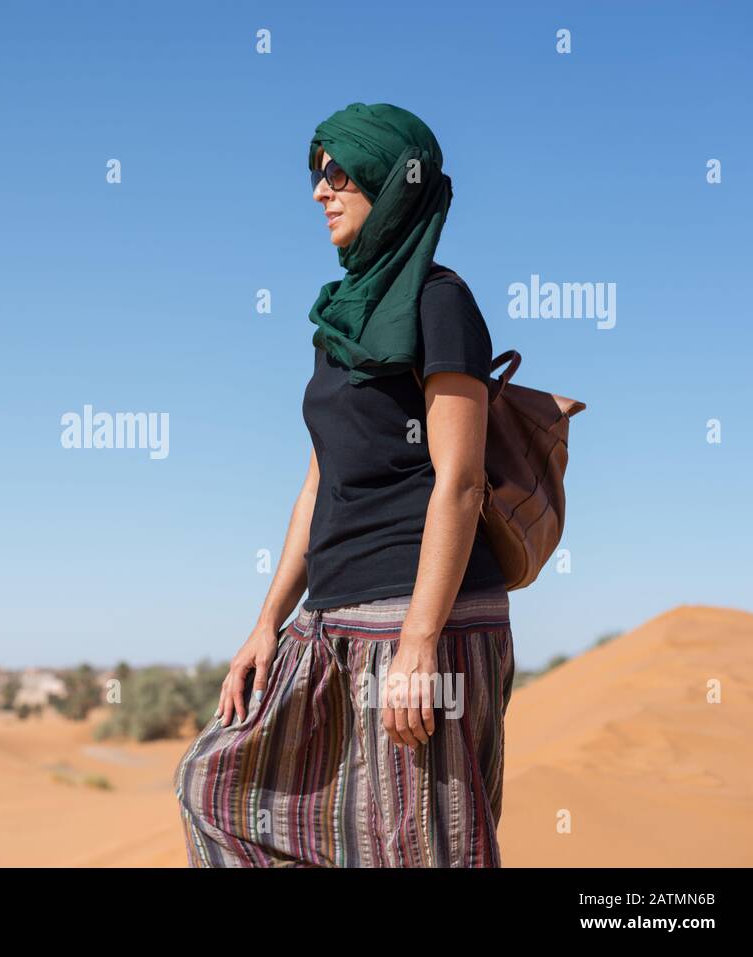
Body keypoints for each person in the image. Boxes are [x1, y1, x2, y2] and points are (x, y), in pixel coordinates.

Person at [173, 102, 516, 868]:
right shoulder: (340, 324)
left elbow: (460, 481)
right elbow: (315, 486)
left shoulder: (441, 301)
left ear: (396, 183)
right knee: (214, 785)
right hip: (330, 620)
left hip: (424, 615)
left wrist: (421, 645)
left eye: (339, 173)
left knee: (425, 843)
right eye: (316, 174)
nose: (320, 191)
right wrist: (266, 622)